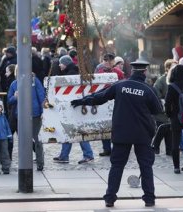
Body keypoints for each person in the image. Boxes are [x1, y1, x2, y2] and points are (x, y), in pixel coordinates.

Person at [71, 60, 162, 207]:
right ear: (144, 72)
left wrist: (83, 101)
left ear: (132, 71)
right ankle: (149, 198)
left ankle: (110, 198)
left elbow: (100, 97)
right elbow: (157, 109)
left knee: (117, 166)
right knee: (146, 166)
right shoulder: (148, 89)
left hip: (121, 133)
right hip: (142, 134)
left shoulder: (120, 85)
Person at [52, 55, 95, 164]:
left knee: (77, 130)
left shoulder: (71, 74)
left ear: (65, 63)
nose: (59, 65)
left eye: (61, 63)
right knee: (69, 130)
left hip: (75, 107)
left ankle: (87, 154)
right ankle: (64, 155)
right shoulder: (71, 71)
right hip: (74, 107)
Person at [7, 65, 46, 171]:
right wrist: (15, 97)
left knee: (37, 139)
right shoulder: (14, 84)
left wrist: (43, 111)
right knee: (24, 141)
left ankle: (40, 162)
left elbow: (41, 96)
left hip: (35, 114)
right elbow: (9, 100)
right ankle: (25, 163)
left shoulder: (34, 81)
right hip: (20, 116)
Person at [95, 53, 125, 156]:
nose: (106, 63)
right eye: (105, 61)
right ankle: (106, 148)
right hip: (103, 101)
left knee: (116, 126)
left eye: (109, 61)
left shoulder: (119, 73)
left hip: (115, 102)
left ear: (113, 61)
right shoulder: (99, 72)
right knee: (104, 125)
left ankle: (117, 148)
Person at [152, 59, 177, 155]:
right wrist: (163, 101)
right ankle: (155, 146)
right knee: (161, 130)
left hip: (172, 111)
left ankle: (169, 150)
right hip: (162, 111)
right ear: (167, 68)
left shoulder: (176, 79)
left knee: (170, 132)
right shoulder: (161, 80)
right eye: (173, 66)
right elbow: (156, 93)